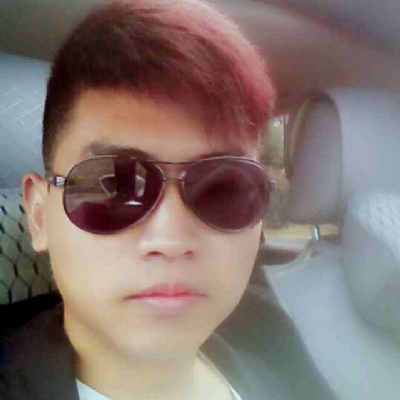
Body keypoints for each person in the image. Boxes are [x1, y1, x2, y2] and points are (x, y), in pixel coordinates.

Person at [0, 1, 337, 399]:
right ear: (40, 216)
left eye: (224, 189)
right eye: (114, 187)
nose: (171, 241)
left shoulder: (271, 337)